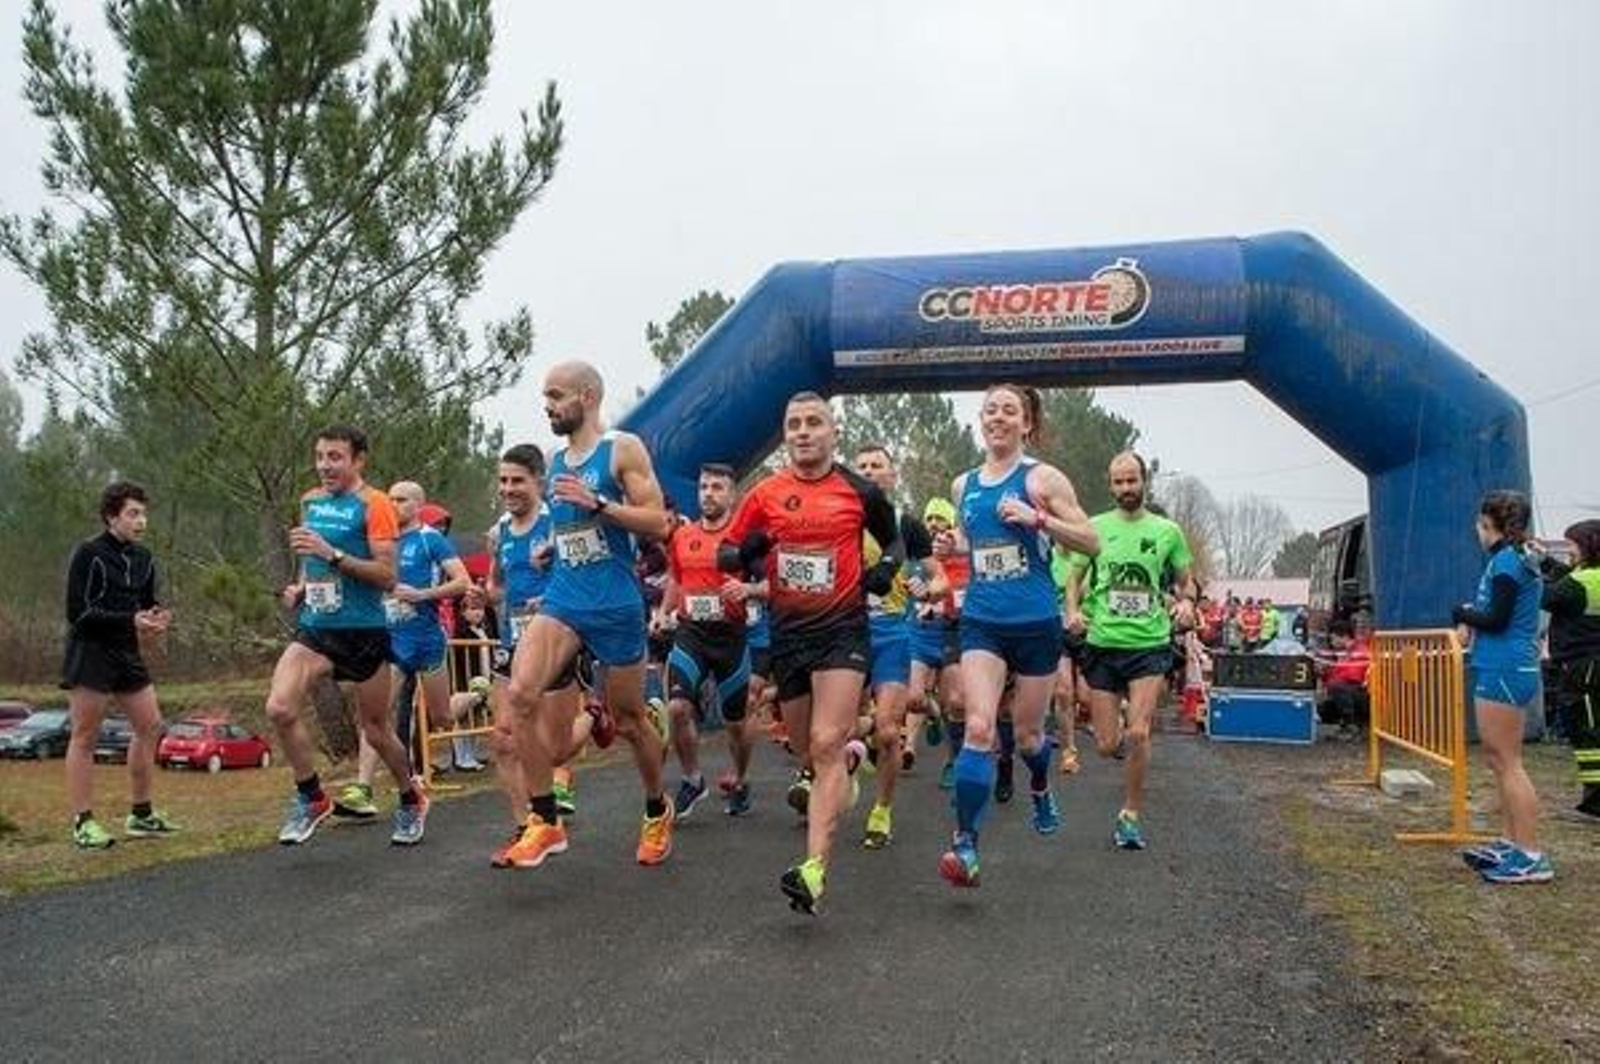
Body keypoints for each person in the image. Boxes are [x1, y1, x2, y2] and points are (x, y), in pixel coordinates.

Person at [719, 391, 900, 913]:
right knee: (809, 751)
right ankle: (848, 760)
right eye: (793, 423)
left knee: (822, 743)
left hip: (844, 630)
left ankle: (814, 869)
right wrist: (749, 552)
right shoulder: (765, 493)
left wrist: (885, 569)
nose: (802, 431)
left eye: (813, 422)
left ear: (832, 431)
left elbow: (894, 543)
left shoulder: (859, 491)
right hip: (789, 634)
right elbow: (727, 551)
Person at [499, 362, 674, 871]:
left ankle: (655, 806)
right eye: (544, 397)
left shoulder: (622, 449)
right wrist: (552, 549)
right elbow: (575, 531)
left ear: (587, 396)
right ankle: (545, 820)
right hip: (565, 598)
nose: (547, 405)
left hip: (616, 603)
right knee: (520, 694)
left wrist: (599, 502)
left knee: (629, 721)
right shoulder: (554, 461)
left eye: (555, 395)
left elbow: (658, 523)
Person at [940, 384, 1098, 888]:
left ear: (1026, 423)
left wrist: (1040, 519)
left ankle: (1038, 783)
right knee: (980, 728)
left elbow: (1091, 539)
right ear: (980, 421)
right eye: (991, 410)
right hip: (982, 620)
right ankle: (965, 843)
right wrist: (953, 543)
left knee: (1029, 735)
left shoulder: (1042, 477)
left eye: (1010, 411)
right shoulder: (963, 485)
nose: (999, 418)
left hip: (1034, 623)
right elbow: (977, 539)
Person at [267, 425, 427, 846]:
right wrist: (301, 587)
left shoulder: (374, 505)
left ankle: (411, 799)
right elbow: (309, 556)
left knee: (375, 730)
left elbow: (388, 576)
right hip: (317, 630)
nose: (324, 465)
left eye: (335, 457)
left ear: (358, 460)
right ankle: (311, 797)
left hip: (364, 632)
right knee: (280, 708)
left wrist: (332, 554)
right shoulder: (311, 501)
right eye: (319, 456)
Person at [1065, 451, 1196, 852]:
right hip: (1103, 644)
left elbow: (1186, 582)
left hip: (1149, 643)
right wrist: (1072, 610)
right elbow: (1074, 576)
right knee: (1107, 745)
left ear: (1144, 481)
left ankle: (1130, 815)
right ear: (1110, 484)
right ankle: (1119, 738)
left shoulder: (1167, 531)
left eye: (1132, 481)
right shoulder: (1094, 528)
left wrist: (1187, 602)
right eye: (1118, 482)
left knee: (1139, 732)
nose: (1126, 489)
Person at [333, 480, 470, 819]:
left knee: (442, 717)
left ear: (418, 505)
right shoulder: (380, 542)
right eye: (390, 498)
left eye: (402, 500)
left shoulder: (430, 539)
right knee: (375, 716)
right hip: (390, 640)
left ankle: (476, 695)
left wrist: (422, 595)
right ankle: (362, 789)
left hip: (425, 637)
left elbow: (463, 581)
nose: (393, 504)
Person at [61, 481, 177, 849]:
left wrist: (157, 618)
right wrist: (131, 620)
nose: (141, 521)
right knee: (85, 736)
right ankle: (83, 822)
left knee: (151, 725)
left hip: (127, 652)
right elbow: (77, 614)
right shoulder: (89, 553)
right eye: (133, 513)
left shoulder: (144, 559)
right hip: (90, 651)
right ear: (112, 516)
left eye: (144, 513)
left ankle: (141, 815)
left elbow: (145, 604)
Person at [1454, 491, 1552, 884]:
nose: (1476, 531)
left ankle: (1529, 854)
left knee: (1508, 761)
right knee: (1498, 758)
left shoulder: (1509, 561)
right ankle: (1513, 842)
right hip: (1499, 663)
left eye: (1479, 524)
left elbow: (1496, 618)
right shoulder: (1507, 559)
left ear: (1487, 524)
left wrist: (1460, 613)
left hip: (1507, 667)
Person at [662, 464, 763, 818]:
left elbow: (772, 584)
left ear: (732, 495)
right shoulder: (681, 535)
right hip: (692, 633)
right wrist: (663, 611)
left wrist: (749, 588)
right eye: (704, 486)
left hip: (730, 638)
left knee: (736, 725)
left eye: (717, 487)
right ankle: (692, 779)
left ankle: (742, 778)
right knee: (676, 709)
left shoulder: (746, 540)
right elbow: (676, 578)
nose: (708, 493)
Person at [852, 445, 940, 851]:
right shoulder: (842, 521)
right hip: (847, 633)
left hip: (892, 635)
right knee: (837, 729)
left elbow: (940, 582)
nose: (869, 472)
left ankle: (882, 810)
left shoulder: (907, 524)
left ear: (893, 475)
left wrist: (927, 588)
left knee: (888, 732)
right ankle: (834, 765)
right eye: (862, 466)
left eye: (877, 466)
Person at [1537, 519, 1600, 822]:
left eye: (1573, 545)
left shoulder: (1583, 583)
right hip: (1587, 664)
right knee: (1588, 728)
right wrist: (1544, 560)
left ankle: (1596, 803)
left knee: (1587, 732)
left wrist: (1526, 568)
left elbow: (1547, 596)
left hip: (1583, 665)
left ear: (1588, 545)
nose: (1570, 551)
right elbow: (1566, 579)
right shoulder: (1588, 577)